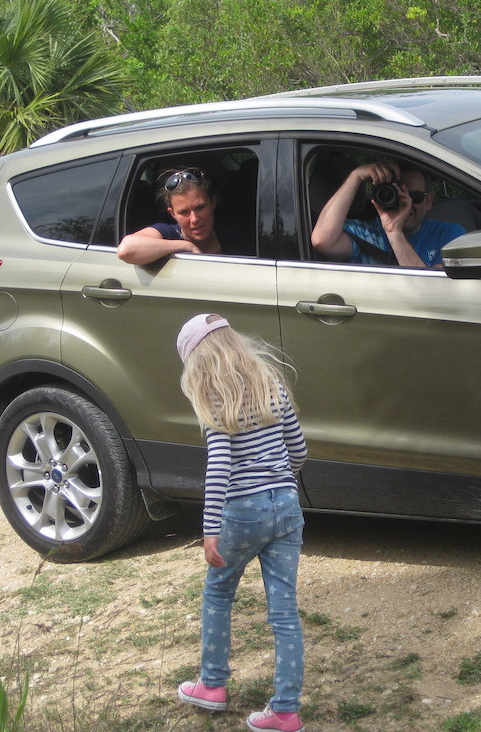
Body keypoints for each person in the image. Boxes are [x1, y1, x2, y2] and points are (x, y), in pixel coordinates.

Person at [174, 313, 308, 732]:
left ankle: (212, 684)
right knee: (284, 610)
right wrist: (282, 482)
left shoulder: (216, 398)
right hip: (287, 506)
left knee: (218, 593)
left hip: (242, 511)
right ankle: (286, 710)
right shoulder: (272, 385)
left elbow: (220, 465)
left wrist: (210, 527)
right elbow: (299, 448)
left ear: (197, 362)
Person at [311, 161, 465, 267]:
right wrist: (355, 177)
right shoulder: (368, 233)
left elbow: (435, 290)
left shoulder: (449, 235)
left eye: (415, 197)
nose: (406, 202)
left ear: (428, 201)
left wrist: (395, 235)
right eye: (397, 195)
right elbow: (322, 241)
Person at [117, 168, 222, 264]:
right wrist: (187, 246)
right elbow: (126, 250)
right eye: (184, 212)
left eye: (200, 207)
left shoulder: (228, 232)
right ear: (172, 213)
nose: (194, 219)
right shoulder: (170, 233)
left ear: (213, 202)